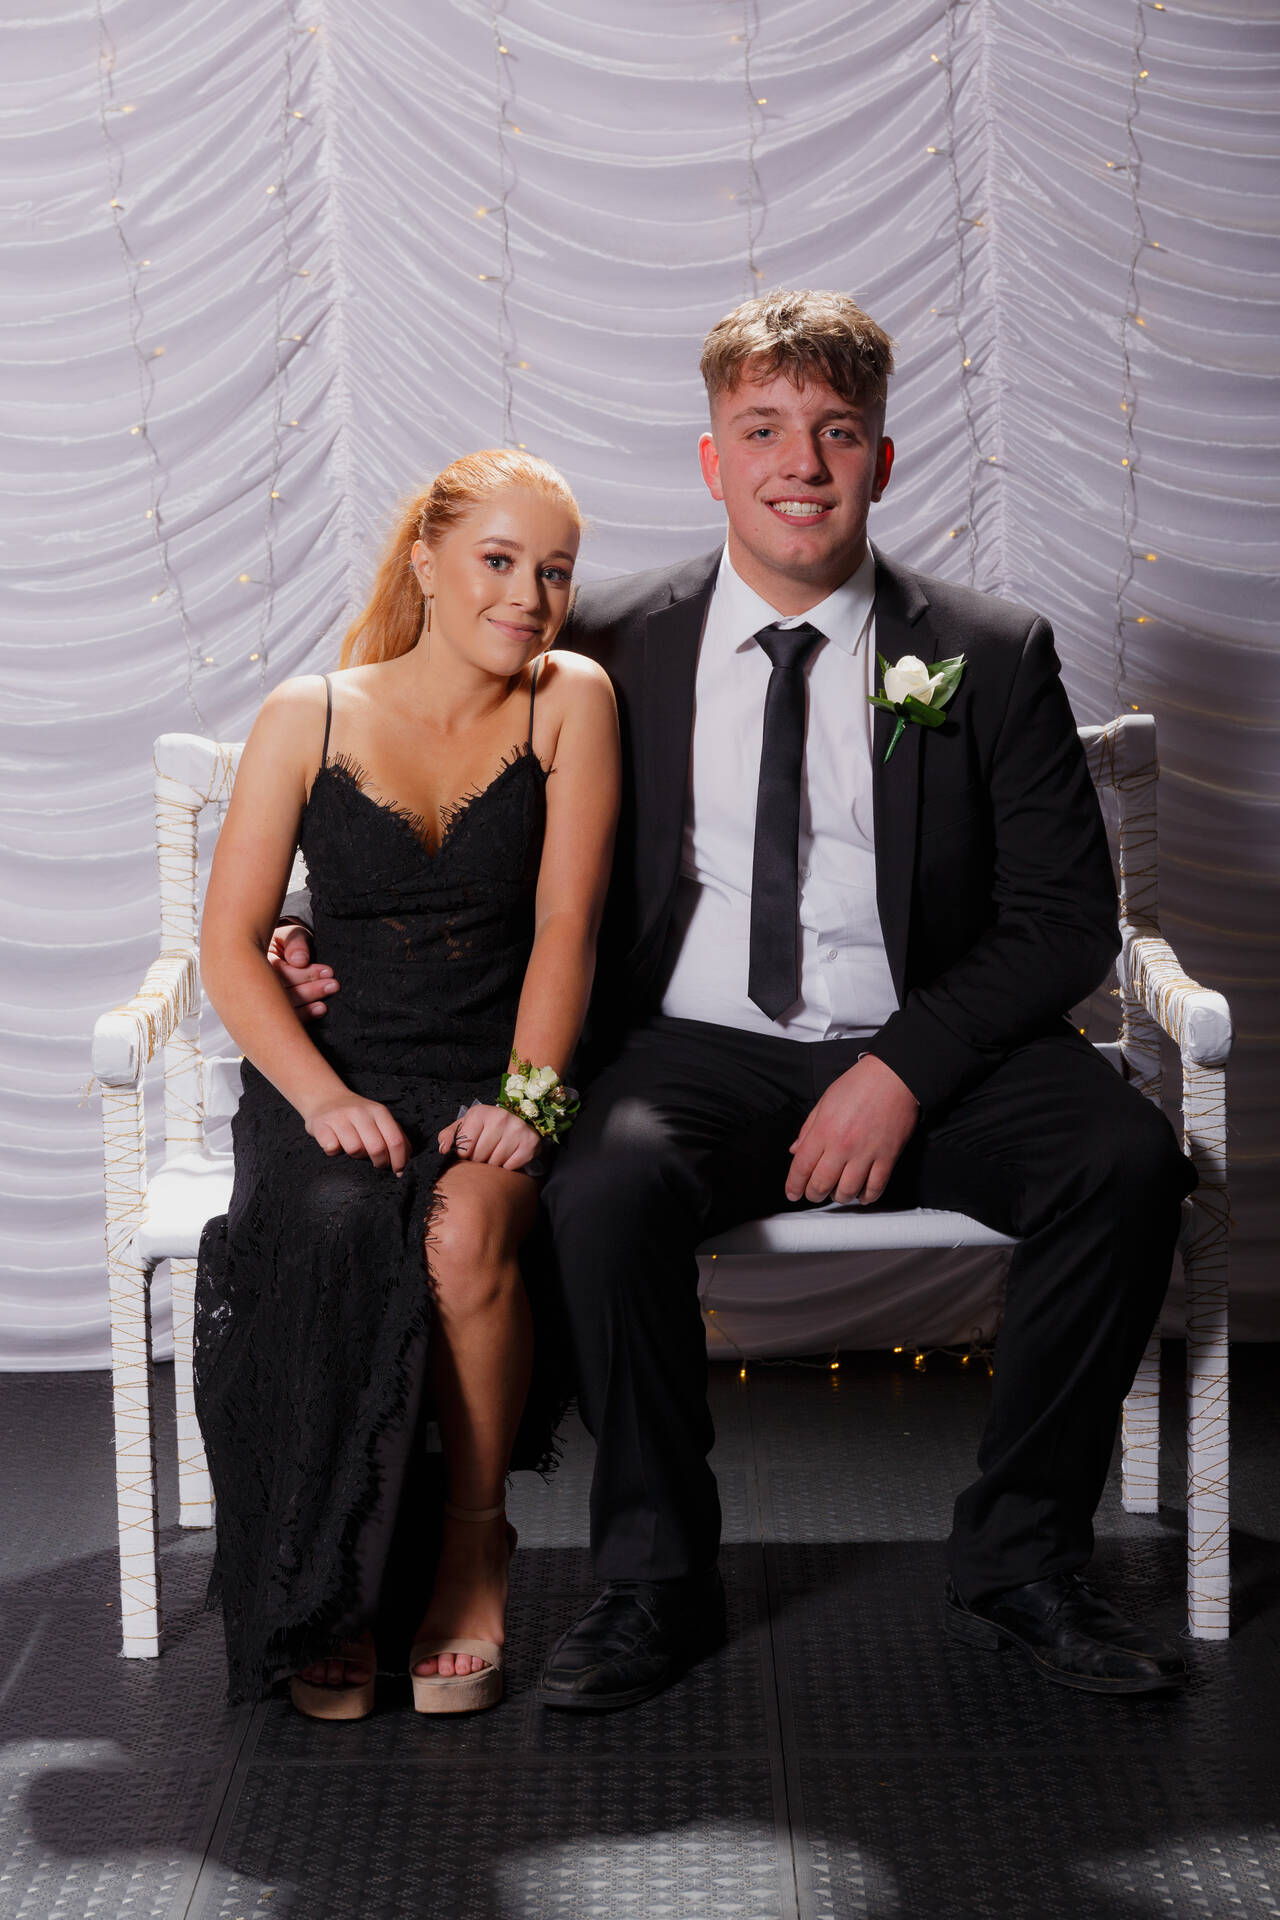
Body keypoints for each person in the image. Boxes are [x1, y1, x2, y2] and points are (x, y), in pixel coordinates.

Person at [273, 291, 1195, 1709]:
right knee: (603, 1185)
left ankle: (1023, 1556)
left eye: (837, 432)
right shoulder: (603, 648)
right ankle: (655, 1580)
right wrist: (311, 927)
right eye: (762, 430)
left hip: (934, 1047)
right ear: (712, 461)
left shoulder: (990, 650)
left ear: (881, 460)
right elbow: (454, 799)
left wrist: (903, 1069)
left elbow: (1066, 922)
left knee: (1125, 1162)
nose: (800, 464)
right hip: (690, 1051)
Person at [194, 448, 619, 1719]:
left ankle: (473, 1546)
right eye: (498, 560)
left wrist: (530, 1101)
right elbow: (231, 945)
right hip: (334, 1070)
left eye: (553, 571)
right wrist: (319, 1095)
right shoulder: (308, 713)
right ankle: (323, 1583)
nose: (528, 596)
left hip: (495, 1068)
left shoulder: (568, 700)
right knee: (331, 1223)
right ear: (426, 562)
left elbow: (567, 927)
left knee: (462, 1232)